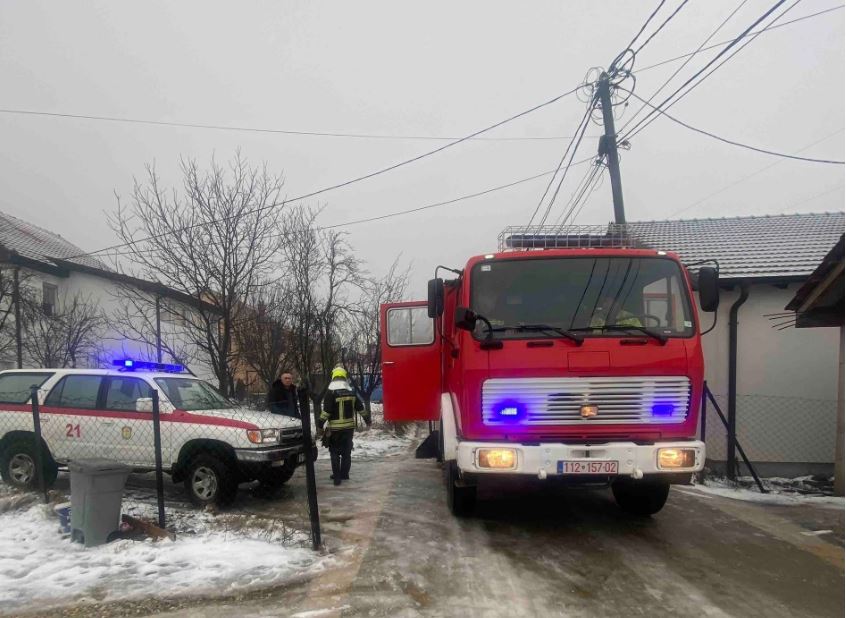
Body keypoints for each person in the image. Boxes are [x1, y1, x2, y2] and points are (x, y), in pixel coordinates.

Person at [319, 366, 369, 486]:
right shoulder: (351, 392)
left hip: (335, 429)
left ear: (333, 377)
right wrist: (368, 420)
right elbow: (360, 408)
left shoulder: (330, 393)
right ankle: (344, 474)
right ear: (344, 377)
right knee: (346, 452)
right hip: (348, 429)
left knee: (335, 452)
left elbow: (326, 412)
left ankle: (337, 478)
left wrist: (320, 424)